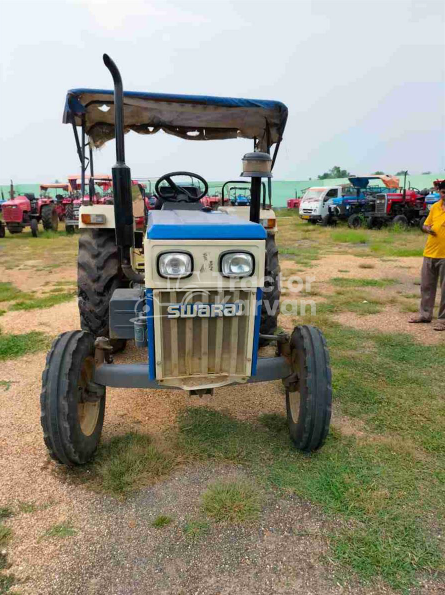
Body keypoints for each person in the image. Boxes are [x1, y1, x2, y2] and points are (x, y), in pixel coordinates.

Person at [409, 181, 445, 330]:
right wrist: (426, 229)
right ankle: (425, 315)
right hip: (430, 251)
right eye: (443, 192)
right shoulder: (436, 206)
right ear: (439, 192)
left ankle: (443, 320)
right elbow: (426, 225)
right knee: (426, 286)